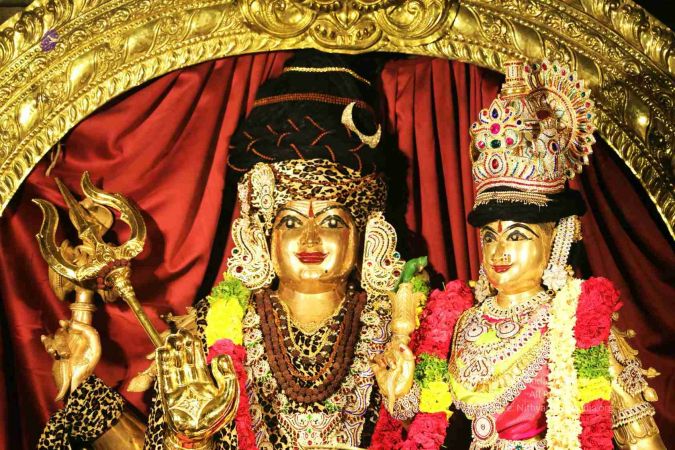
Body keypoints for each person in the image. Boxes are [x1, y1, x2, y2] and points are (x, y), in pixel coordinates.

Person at [37, 51, 431, 450]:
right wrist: (190, 435)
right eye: (291, 222)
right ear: (264, 234)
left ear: (364, 232)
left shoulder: (404, 322)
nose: (310, 239)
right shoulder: (214, 326)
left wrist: (404, 404)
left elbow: (434, 432)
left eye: (331, 222)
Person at [446, 60, 665, 450]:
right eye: (489, 236)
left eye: (517, 235)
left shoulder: (581, 324)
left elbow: (641, 438)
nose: (499, 250)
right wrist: (400, 393)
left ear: (557, 237)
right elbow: (428, 421)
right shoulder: (464, 322)